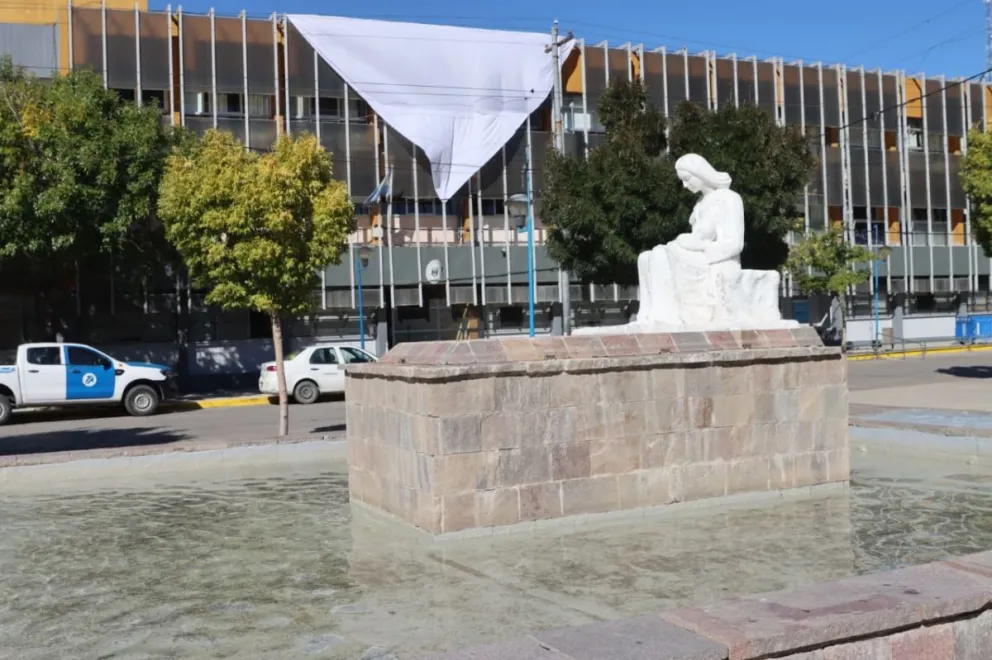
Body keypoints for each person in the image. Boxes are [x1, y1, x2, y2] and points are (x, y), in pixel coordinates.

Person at [636, 154, 745, 327]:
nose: (685, 185)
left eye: (687, 179)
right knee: (644, 258)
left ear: (700, 174)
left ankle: (666, 317)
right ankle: (647, 315)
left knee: (659, 255)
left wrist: (699, 246)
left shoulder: (729, 199)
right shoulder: (700, 203)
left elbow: (734, 244)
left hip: (715, 260)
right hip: (695, 256)